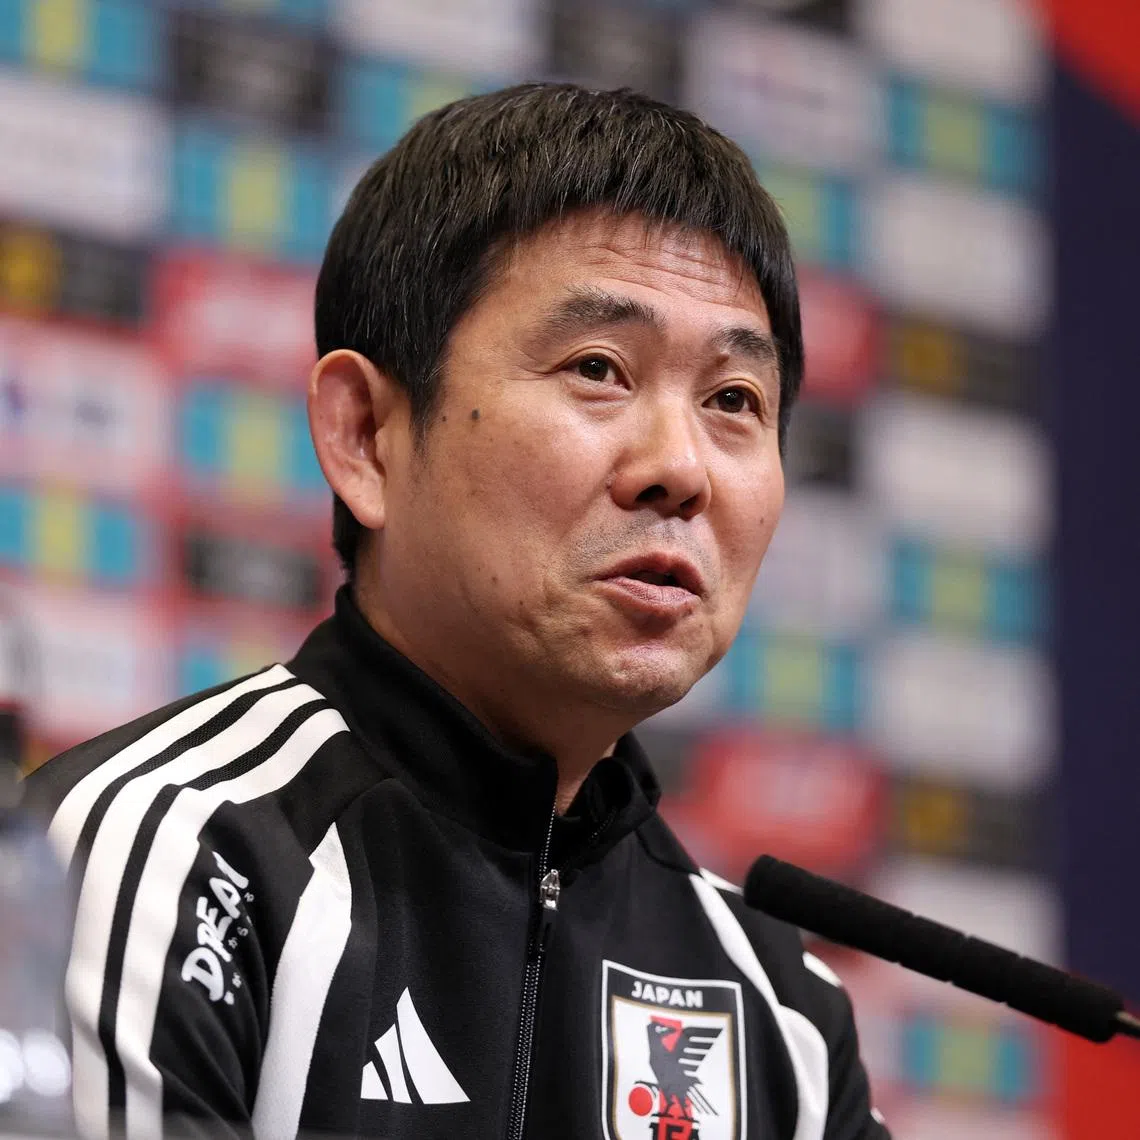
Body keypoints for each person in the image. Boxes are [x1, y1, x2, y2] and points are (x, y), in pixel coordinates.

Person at [28, 84, 889, 1140]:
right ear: (367, 436)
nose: (680, 469)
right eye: (598, 370)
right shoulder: (150, 865)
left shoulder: (784, 1019)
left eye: (733, 402)